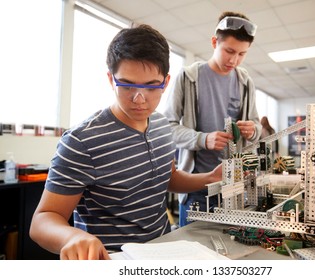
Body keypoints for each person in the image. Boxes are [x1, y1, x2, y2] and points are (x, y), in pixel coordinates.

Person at [29, 25, 222, 260]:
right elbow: (42, 220)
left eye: (151, 86)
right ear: (111, 79)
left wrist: (209, 179)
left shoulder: (162, 126)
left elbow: (167, 177)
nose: (140, 99)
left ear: (166, 82)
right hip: (113, 259)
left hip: (163, 251)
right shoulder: (81, 141)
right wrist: (72, 237)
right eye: (127, 85)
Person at [163, 12, 262, 227]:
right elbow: (166, 128)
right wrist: (202, 139)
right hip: (197, 189)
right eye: (229, 51)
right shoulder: (188, 77)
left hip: (234, 188)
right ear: (214, 42)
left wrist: (252, 130)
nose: (234, 60)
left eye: (242, 54)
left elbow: (257, 127)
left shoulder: (246, 82)